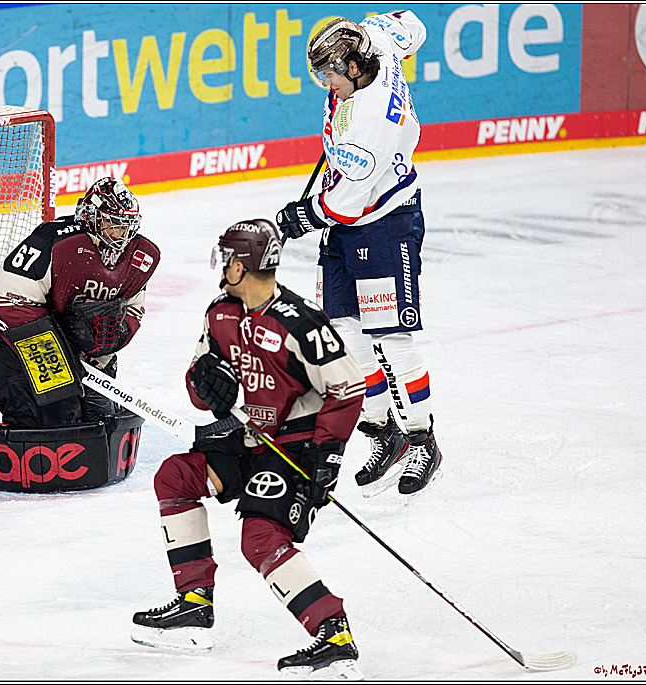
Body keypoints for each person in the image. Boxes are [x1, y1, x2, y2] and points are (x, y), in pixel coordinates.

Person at [131, 219, 367, 680]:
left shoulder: (301, 323)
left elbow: (347, 388)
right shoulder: (219, 313)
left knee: (259, 539)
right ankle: (194, 606)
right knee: (175, 476)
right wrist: (207, 386)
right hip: (246, 440)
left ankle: (334, 636)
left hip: (293, 449)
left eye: (228, 259)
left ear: (244, 265)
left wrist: (328, 455)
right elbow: (198, 384)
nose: (222, 268)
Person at [275, 11, 442, 497]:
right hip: (350, 220)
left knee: (390, 336)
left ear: (352, 66)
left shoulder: (371, 122)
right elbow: (412, 25)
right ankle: (381, 429)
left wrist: (301, 216)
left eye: (328, 74)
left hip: (384, 222)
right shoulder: (376, 38)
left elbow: (348, 201)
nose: (324, 83)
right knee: (345, 332)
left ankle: (420, 438)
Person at [0, 177, 159, 427]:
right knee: (54, 420)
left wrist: (111, 342)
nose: (121, 234)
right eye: (113, 224)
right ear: (92, 216)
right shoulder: (53, 241)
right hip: (25, 347)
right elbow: (6, 294)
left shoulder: (137, 255)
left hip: (88, 355)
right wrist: (57, 346)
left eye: (126, 226)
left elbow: (133, 308)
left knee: (100, 421)